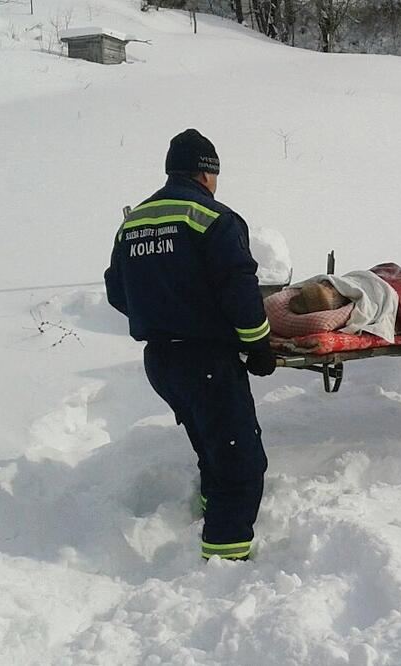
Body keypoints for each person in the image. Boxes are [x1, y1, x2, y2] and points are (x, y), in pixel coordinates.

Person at [104, 129, 276, 561]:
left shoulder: (134, 221)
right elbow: (239, 288)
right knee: (241, 461)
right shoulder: (213, 217)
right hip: (206, 361)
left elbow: (116, 291)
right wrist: (258, 344)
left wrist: (161, 318)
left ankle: (211, 513)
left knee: (210, 443)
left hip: (161, 361)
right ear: (207, 173)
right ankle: (225, 557)